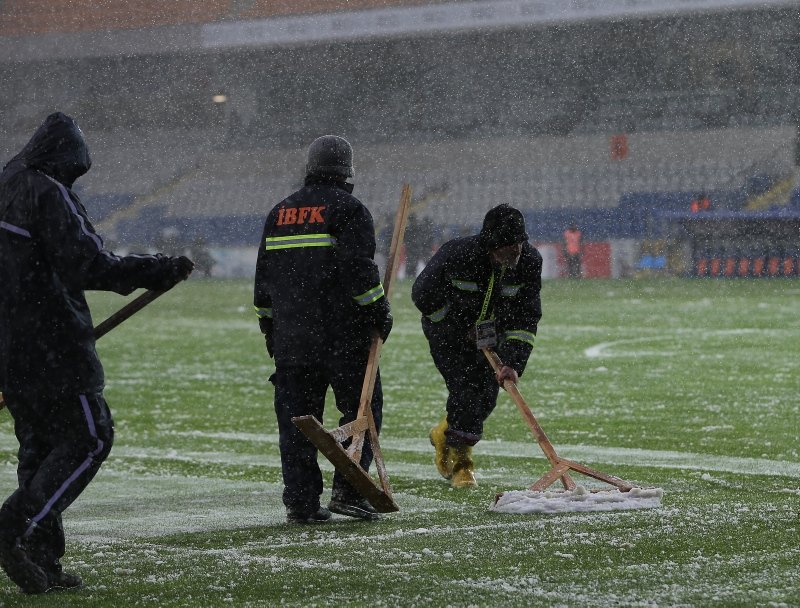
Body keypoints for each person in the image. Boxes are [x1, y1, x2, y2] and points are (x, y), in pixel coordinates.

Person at [0, 112, 194, 594]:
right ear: (66, 160)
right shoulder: (45, 191)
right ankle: (12, 530)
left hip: (9, 346)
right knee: (90, 437)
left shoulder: (5, 184)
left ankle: (41, 559)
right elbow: (86, 263)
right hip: (54, 343)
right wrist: (156, 269)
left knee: (41, 445)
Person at [253, 135, 393, 524]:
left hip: (291, 340)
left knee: (299, 420)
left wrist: (271, 330)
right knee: (362, 409)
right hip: (342, 335)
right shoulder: (350, 210)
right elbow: (359, 272)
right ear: (347, 172)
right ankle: (350, 489)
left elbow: (263, 284)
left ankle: (301, 502)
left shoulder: (279, 213)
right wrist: (379, 309)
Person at [412, 204, 542, 488]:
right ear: (491, 245)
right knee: (466, 392)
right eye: (509, 246)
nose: (516, 252)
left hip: (490, 337)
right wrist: (458, 328)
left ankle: (443, 433)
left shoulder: (530, 262)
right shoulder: (457, 255)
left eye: (520, 243)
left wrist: (513, 362)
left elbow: (526, 316)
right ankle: (461, 463)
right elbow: (423, 295)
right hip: (447, 336)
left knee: (486, 398)